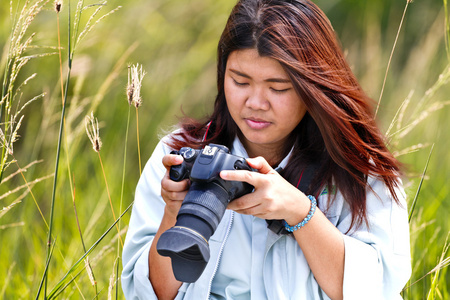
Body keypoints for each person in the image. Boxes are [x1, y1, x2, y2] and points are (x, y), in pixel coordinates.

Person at [121, 0, 412, 299]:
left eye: (278, 87)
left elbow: (377, 288)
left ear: (313, 86)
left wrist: (300, 211)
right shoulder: (179, 153)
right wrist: (174, 213)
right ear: (222, 75)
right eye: (240, 81)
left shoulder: (359, 167)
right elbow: (147, 293)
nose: (256, 102)